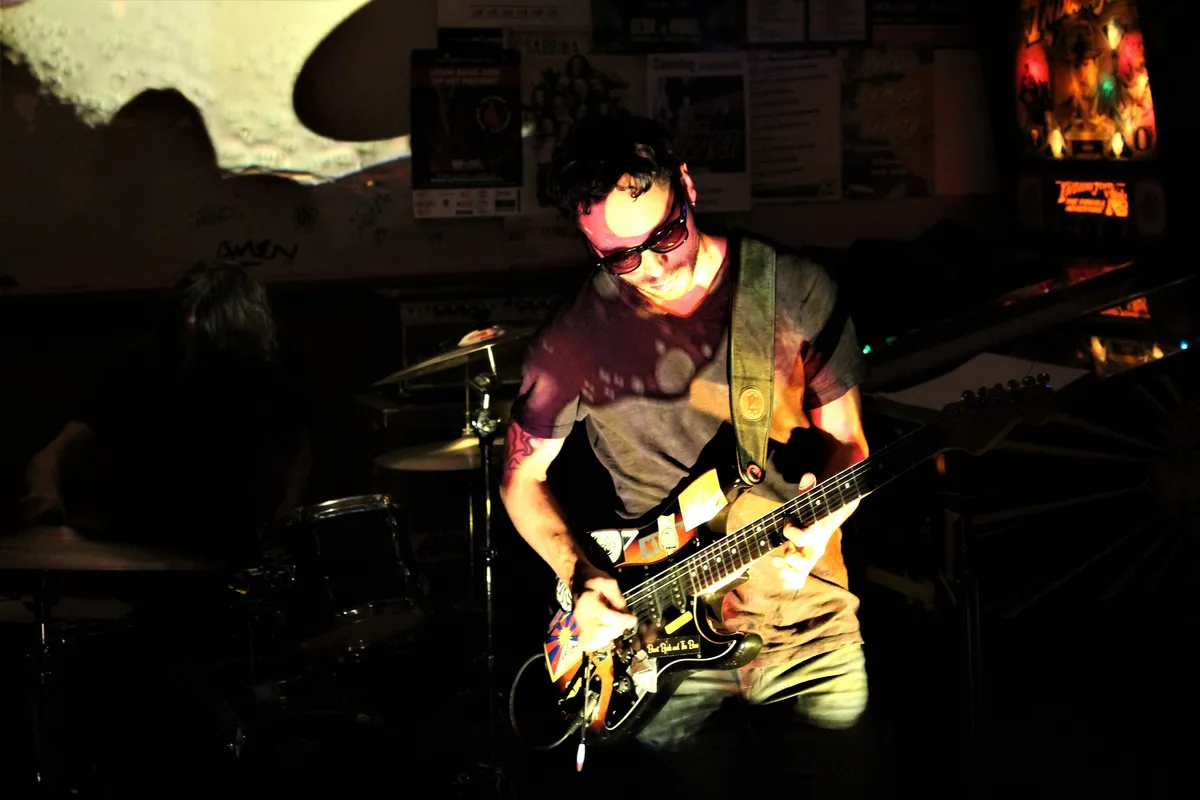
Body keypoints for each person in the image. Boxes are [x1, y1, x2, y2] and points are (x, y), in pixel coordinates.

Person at [499, 115, 874, 798]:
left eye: (667, 235)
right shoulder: (573, 339)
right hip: (657, 638)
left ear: (688, 188)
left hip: (807, 620)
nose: (654, 267)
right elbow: (521, 478)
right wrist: (578, 574)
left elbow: (849, 444)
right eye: (622, 258)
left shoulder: (792, 289)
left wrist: (824, 519)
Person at [20, 259, 313, 564]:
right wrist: (45, 492)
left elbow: (299, 454)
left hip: (236, 537)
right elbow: (56, 451)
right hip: (144, 538)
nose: (192, 340)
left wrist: (279, 530)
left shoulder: (273, 367)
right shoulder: (144, 365)